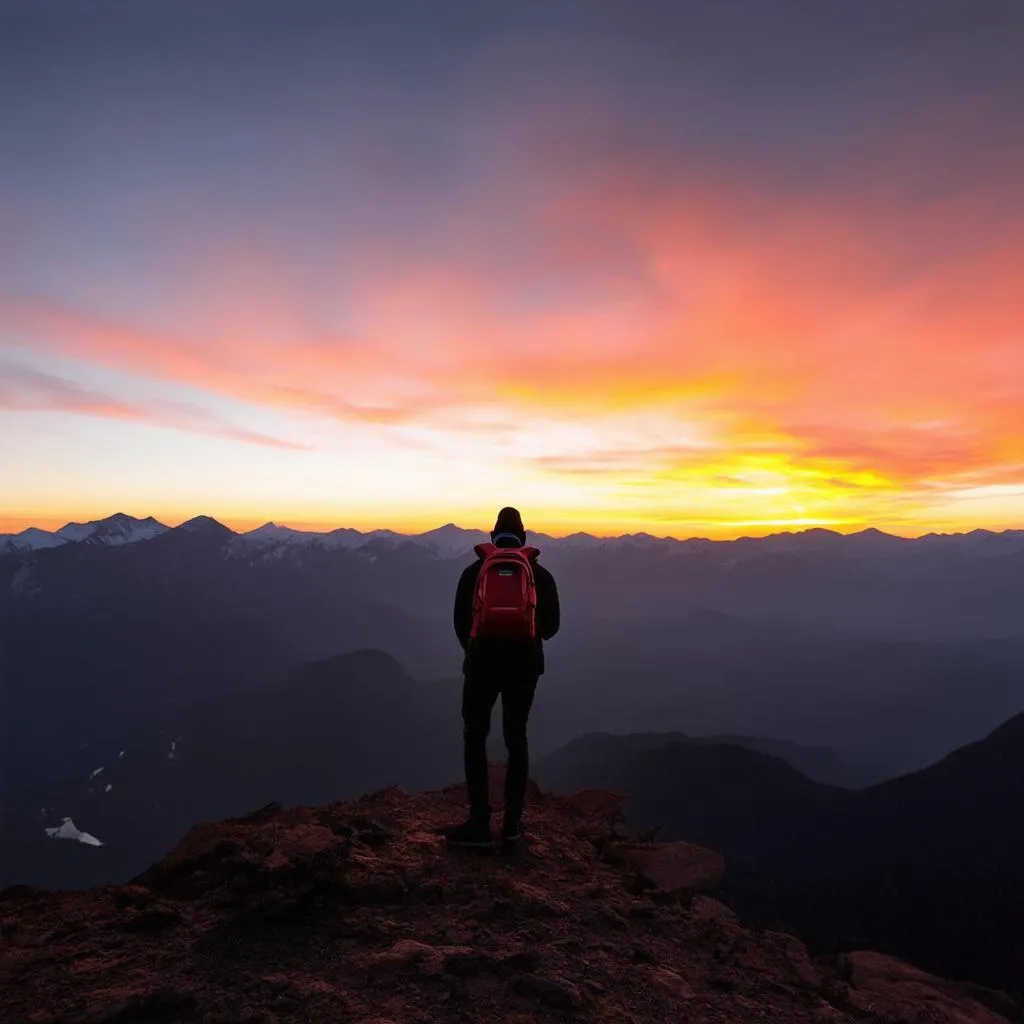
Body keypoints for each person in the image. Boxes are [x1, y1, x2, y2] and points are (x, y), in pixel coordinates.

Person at [444, 507, 560, 848]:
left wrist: (474, 650)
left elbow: (459, 622)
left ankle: (479, 824)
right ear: (523, 539)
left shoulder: (473, 571)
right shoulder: (542, 576)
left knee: (475, 736)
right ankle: (512, 827)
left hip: (481, 665)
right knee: (516, 738)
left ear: (493, 537)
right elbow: (551, 628)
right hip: (524, 667)